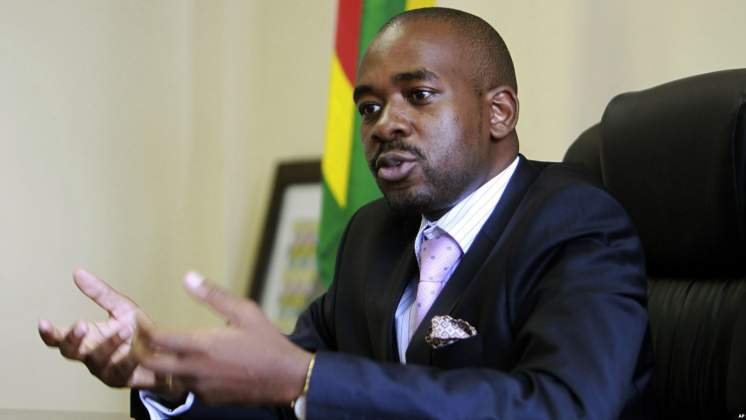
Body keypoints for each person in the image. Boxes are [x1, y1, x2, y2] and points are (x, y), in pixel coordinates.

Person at [39, 7, 656, 419]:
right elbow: (278, 388)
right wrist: (171, 379)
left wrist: (307, 379)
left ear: (499, 112)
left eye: (418, 95)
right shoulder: (373, 234)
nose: (384, 124)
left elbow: (565, 406)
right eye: (368, 108)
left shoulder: (577, 223)